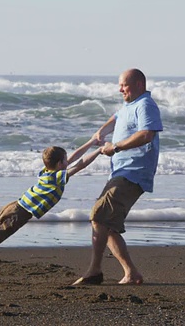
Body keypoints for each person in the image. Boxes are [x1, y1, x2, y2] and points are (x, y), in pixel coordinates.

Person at [73, 68, 163, 286]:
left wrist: (117, 147)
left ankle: (94, 271)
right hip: (121, 171)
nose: (120, 89)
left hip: (134, 171)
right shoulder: (128, 105)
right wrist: (101, 132)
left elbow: (146, 134)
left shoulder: (145, 105)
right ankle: (131, 274)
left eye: (124, 84)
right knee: (108, 226)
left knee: (98, 215)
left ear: (139, 84)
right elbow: (115, 118)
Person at [0, 138, 102, 250]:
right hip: (19, 214)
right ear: (59, 164)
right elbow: (80, 165)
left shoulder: (47, 171)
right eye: (65, 161)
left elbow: (73, 158)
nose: (68, 162)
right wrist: (99, 151)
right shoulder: (57, 177)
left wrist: (92, 141)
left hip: (14, 206)